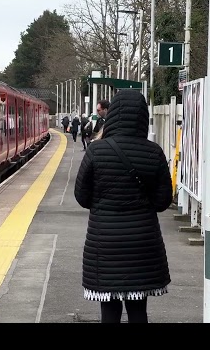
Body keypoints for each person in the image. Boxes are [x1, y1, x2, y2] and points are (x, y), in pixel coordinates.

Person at [74, 89, 172, 323]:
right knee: (139, 311)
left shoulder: (96, 151)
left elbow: (81, 196)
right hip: (143, 244)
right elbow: (162, 202)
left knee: (109, 312)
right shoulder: (154, 152)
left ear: (113, 115)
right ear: (142, 117)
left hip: (104, 242)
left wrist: (102, 205)